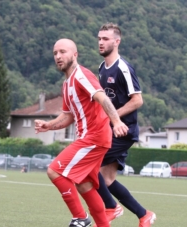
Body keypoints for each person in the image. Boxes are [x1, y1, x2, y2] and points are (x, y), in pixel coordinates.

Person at [35, 38, 128, 227]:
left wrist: (116, 121)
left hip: (94, 137)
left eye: (63, 52)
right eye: (55, 53)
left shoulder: (81, 75)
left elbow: (102, 98)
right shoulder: (67, 84)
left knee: (55, 171)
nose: (58, 56)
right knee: (84, 184)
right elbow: (68, 116)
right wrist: (49, 125)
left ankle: (81, 217)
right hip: (92, 139)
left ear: (75, 54)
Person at [95, 22, 156, 227]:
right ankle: (143, 214)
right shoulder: (102, 68)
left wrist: (114, 118)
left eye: (105, 39)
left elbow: (138, 100)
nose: (101, 43)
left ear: (117, 41)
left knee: (89, 165)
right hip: (110, 130)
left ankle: (110, 208)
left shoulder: (123, 67)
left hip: (123, 131)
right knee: (108, 179)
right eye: (99, 39)